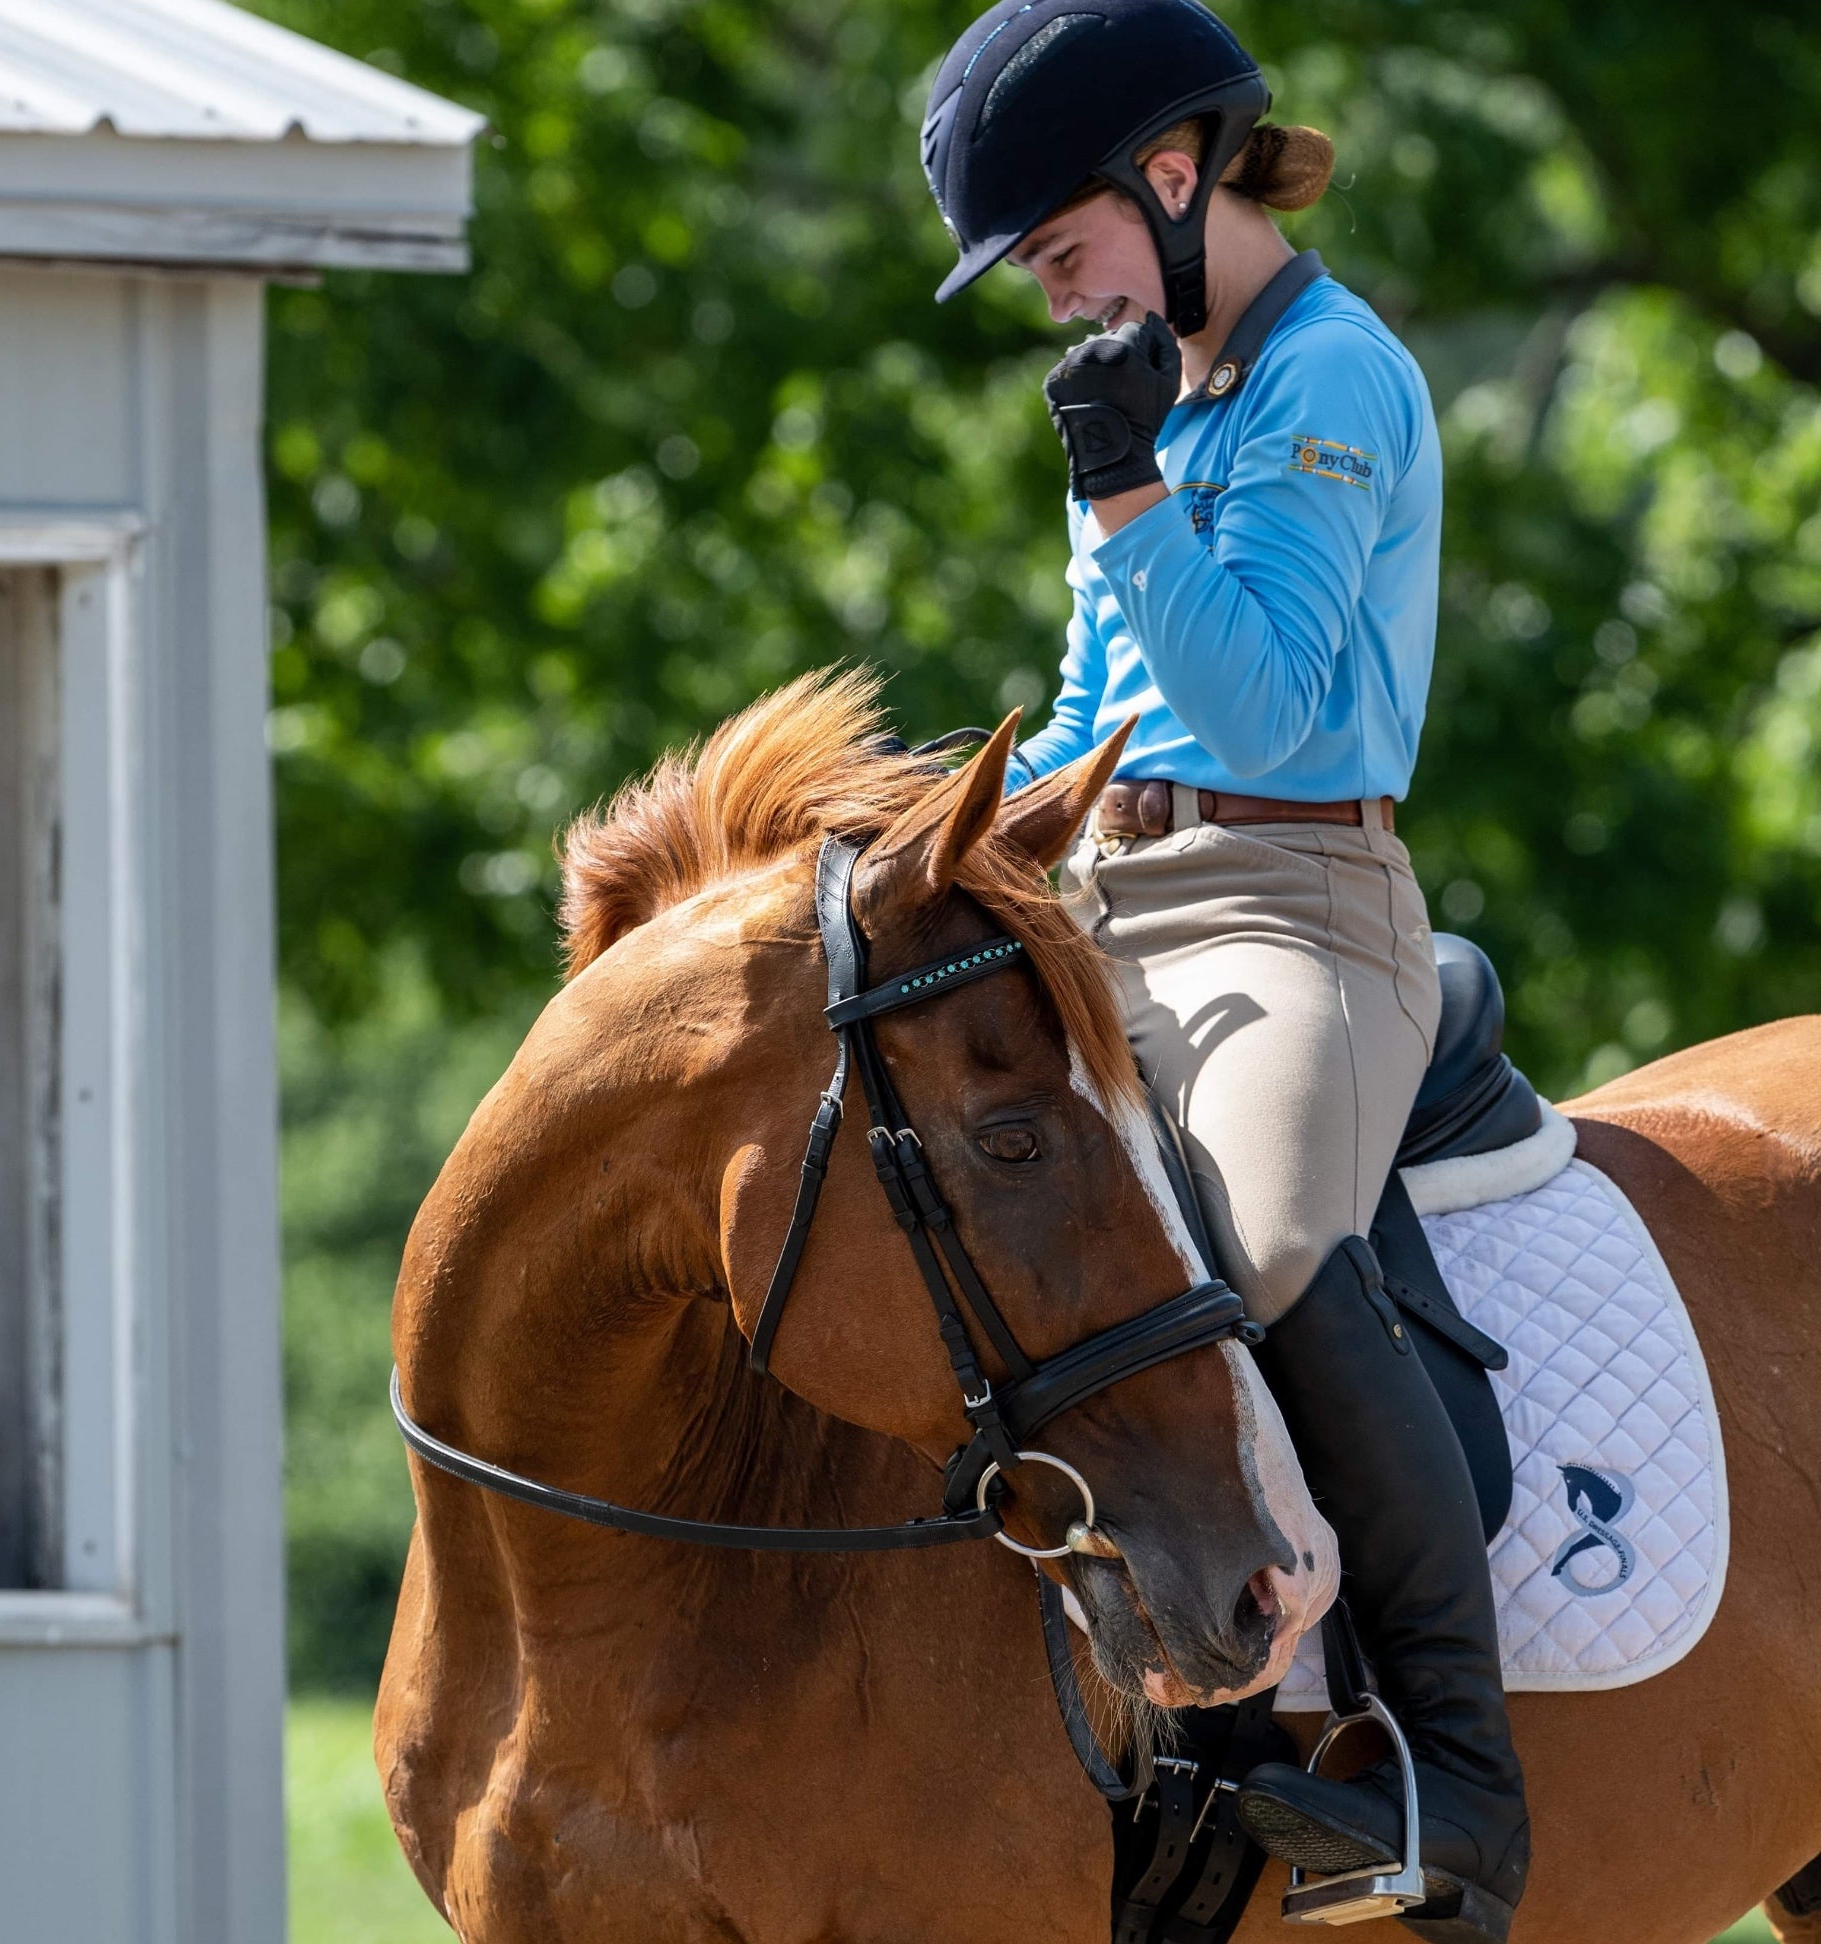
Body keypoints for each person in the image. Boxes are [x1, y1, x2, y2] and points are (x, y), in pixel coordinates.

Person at [920, 3, 1529, 1939]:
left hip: (1296, 900)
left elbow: (1259, 702)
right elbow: (1108, 702)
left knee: (1254, 1254)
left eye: (1057, 247)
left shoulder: (1327, 376)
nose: (1050, 296)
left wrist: (1123, 495)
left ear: (1171, 177)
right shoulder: (1154, 390)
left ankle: (1452, 1782)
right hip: (1110, 893)